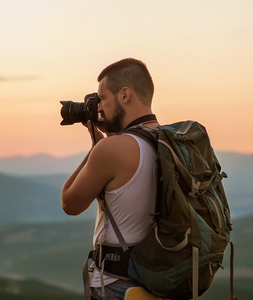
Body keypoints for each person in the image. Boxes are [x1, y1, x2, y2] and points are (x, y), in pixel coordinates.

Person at [61, 58, 159, 300]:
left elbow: (69, 202)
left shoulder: (112, 149)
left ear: (124, 94)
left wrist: (98, 145)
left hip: (117, 286)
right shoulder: (166, 140)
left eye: (102, 98)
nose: (99, 109)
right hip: (160, 281)